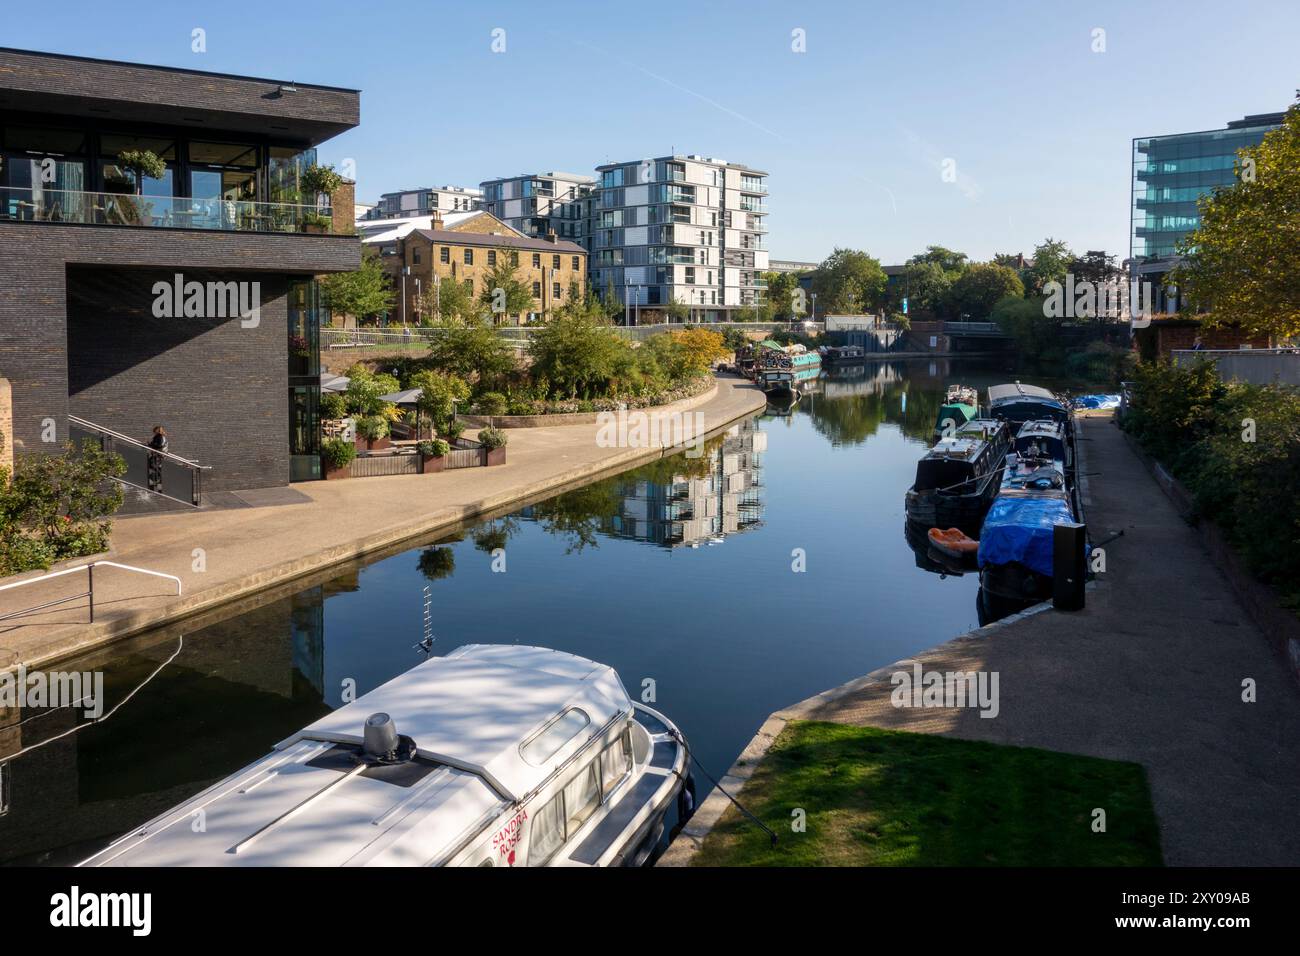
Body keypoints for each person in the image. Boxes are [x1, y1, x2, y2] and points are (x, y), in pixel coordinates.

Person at [146, 426, 168, 492]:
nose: (154, 432)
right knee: (152, 466)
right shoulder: (158, 436)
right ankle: (155, 483)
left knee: (152, 466)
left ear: (158, 430)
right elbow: (156, 445)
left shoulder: (160, 436)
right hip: (158, 455)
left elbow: (159, 445)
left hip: (158, 455)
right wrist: (149, 444)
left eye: (155, 430)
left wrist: (151, 445)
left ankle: (156, 482)